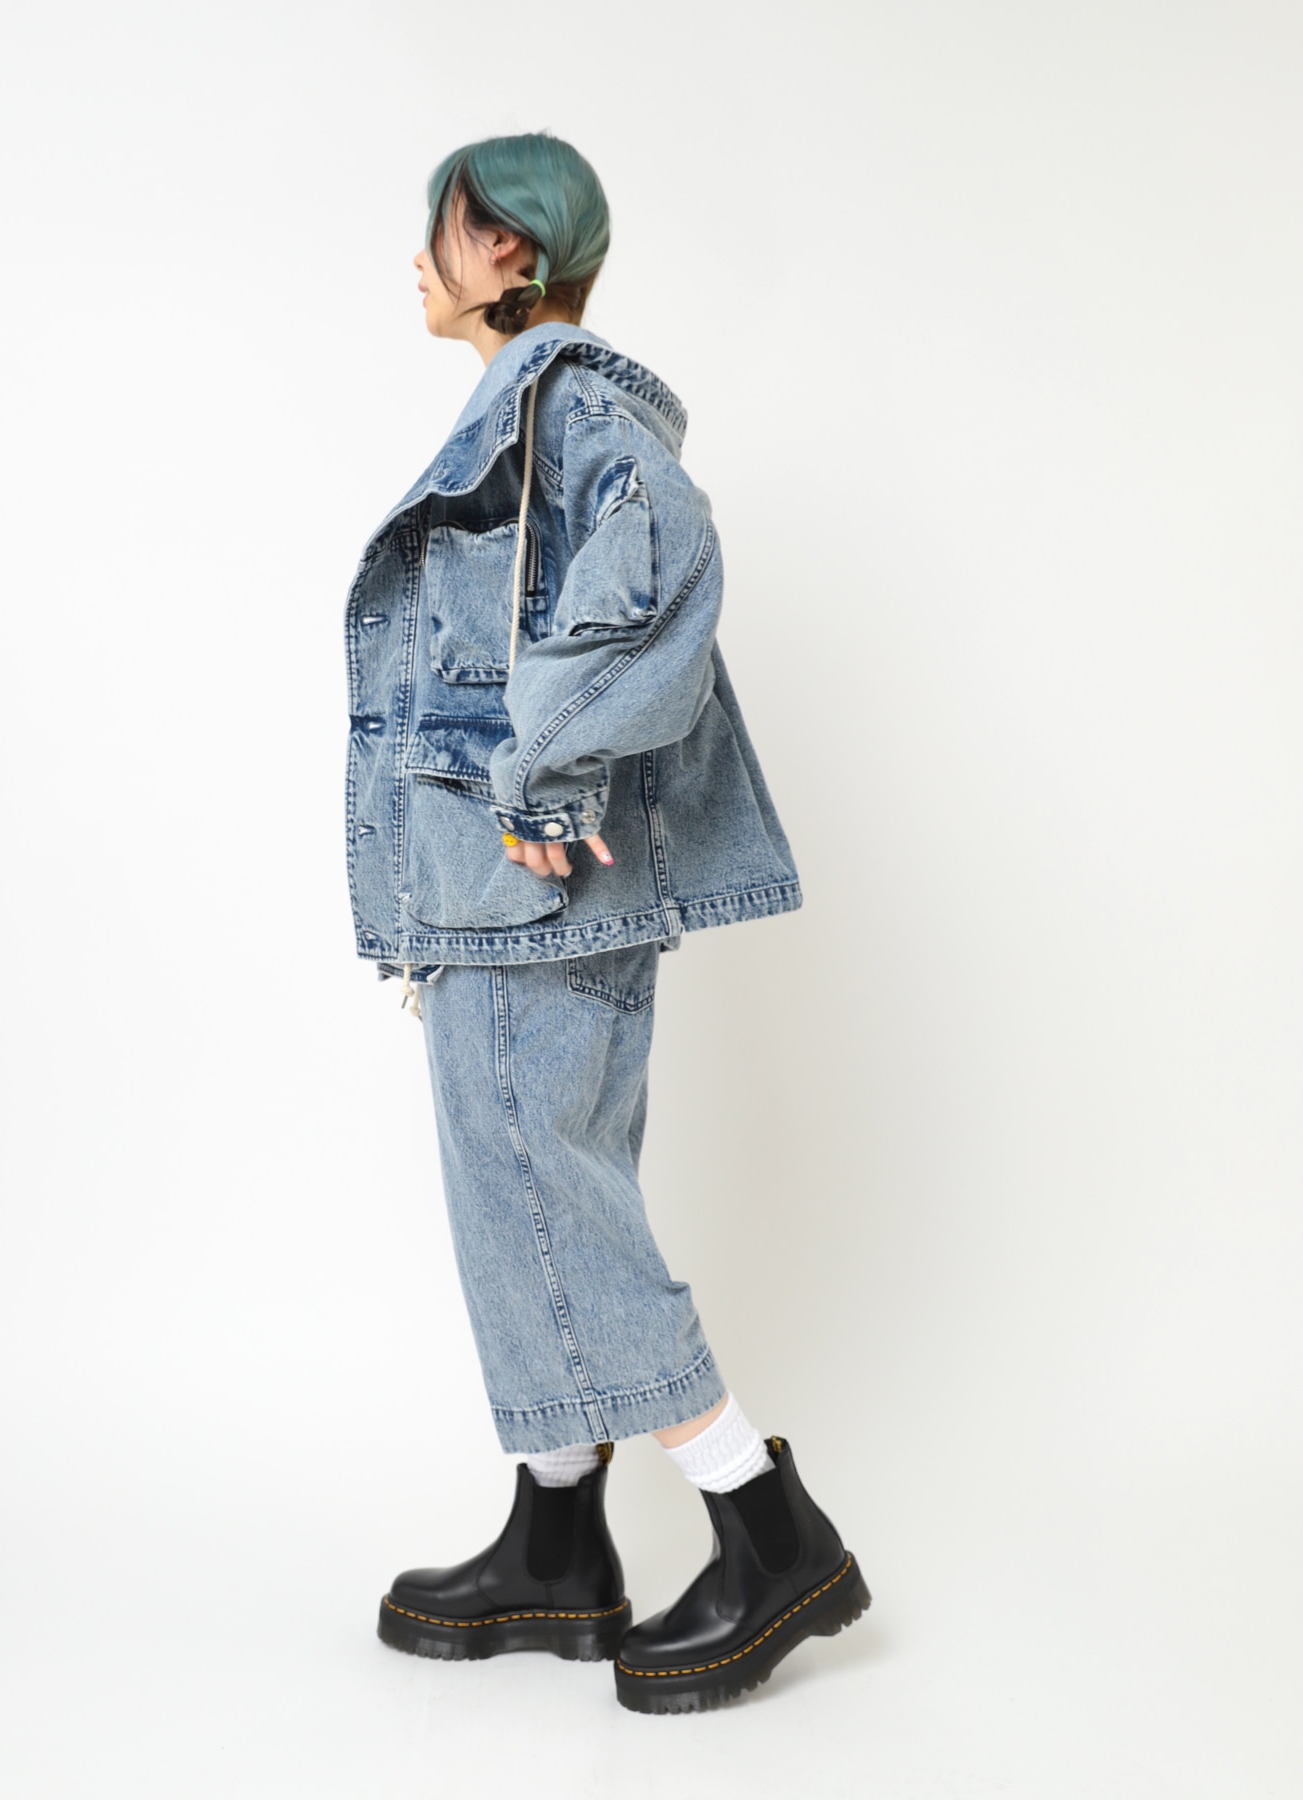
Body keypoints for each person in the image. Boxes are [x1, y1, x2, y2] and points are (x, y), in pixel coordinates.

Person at [342, 132, 868, 1714]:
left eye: (440, 234)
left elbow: (658, 579)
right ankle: (558, 1541)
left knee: (553, 1207)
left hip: (534, 891)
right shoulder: (522, 412)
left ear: (510, 249)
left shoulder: (576, 411)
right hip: (490, 896)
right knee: (519, 1205)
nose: (419, 262)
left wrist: (545, 773)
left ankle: (768, 1531)